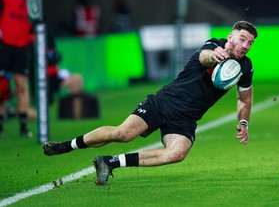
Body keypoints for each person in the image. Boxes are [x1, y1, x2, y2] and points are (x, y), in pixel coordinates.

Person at [43, 21, 258, 185]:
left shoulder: (245, 68)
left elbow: (244, 99)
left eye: (250, 42)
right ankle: (65, 146)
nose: (246, 45)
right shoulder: (214, 45)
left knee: (177, 154)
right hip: (164, 102)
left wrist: (244, 123)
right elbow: (204, 56)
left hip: (186, 118)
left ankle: (109, 162)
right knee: (122, 134)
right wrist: (214, 56)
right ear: (230, 36)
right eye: (242, 39)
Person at [0, 0, 40, 137]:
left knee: (21, 87)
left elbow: (38, 24)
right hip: (4, 46)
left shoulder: (34, 0)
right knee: (2, 87)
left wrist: (34, 38)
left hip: (22, 48)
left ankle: (23, 127)